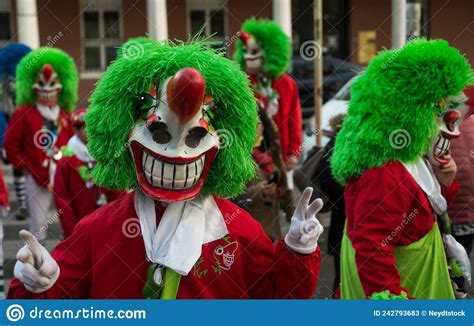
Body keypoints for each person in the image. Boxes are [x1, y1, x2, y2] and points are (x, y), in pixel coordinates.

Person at [8, 38, 324, 299]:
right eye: (159, 133)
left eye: (196, 135)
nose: (175, 152)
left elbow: (277, 298)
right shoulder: (98, 230)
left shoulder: (239, 230)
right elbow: (52, 304)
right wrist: (37, 284)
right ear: (124, 136)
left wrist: (297, 252)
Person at [331, 39, 472, 299]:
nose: (453, 126)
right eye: (441, 110)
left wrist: (444, 182)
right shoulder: (385, 171)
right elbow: (371, 247)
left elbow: (418, 214)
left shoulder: (410, 156)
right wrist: (394, 303)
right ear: (408, 111)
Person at [3, 48, 78, 243]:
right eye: (42, 85)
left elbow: (73, 141)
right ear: (32, 87)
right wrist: (25, 167)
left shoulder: (63, 114)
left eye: (52, 84)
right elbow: (10, 144)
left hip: (65, 176)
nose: (47, 90)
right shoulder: (23, 113)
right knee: (37, 226)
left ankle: (68, 261)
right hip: (36, 178)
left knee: (71, 221)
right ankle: (37, 266)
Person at [234, 19, 302, 175]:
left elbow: (295, 120)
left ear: (270, 53)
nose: (247, 56)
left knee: (280, 193)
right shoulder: (242, 82)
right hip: (250, 157)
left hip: (279, 153)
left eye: (254, 51)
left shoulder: (287, 84)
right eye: (245, 51)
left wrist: (294, 152)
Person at [53, 109, 124, 238]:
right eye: (85, 128)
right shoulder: (66, 160)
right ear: (75, 130)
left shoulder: (105, 155)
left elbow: (117, 189)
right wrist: (71, 230)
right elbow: (61, 198)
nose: (90, 132)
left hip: (105, 220)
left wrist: (117, 219)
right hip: (78, 223)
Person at [234, 108, 295, 241]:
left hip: (273, 234)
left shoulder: (270, 149)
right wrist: (258, 191)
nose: (254, 129)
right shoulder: (234, 157)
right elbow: (230, 201)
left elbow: (283, 185)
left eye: (257, 124)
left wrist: (294, 212)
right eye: (248, 124)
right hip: (249, 238)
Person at [447, 86, 474, 297]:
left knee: (456, 263)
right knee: (460, 259)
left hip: (454, 211)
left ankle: (459, 294)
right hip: (458, 209)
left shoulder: (442, 125)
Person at [0, 43, 31, 220]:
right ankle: (22, 204)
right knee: (15, 165)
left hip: (24, 131)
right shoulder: (4, 94)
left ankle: (24, 204)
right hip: (9, 131)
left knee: (23, 167)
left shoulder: (25, 92)